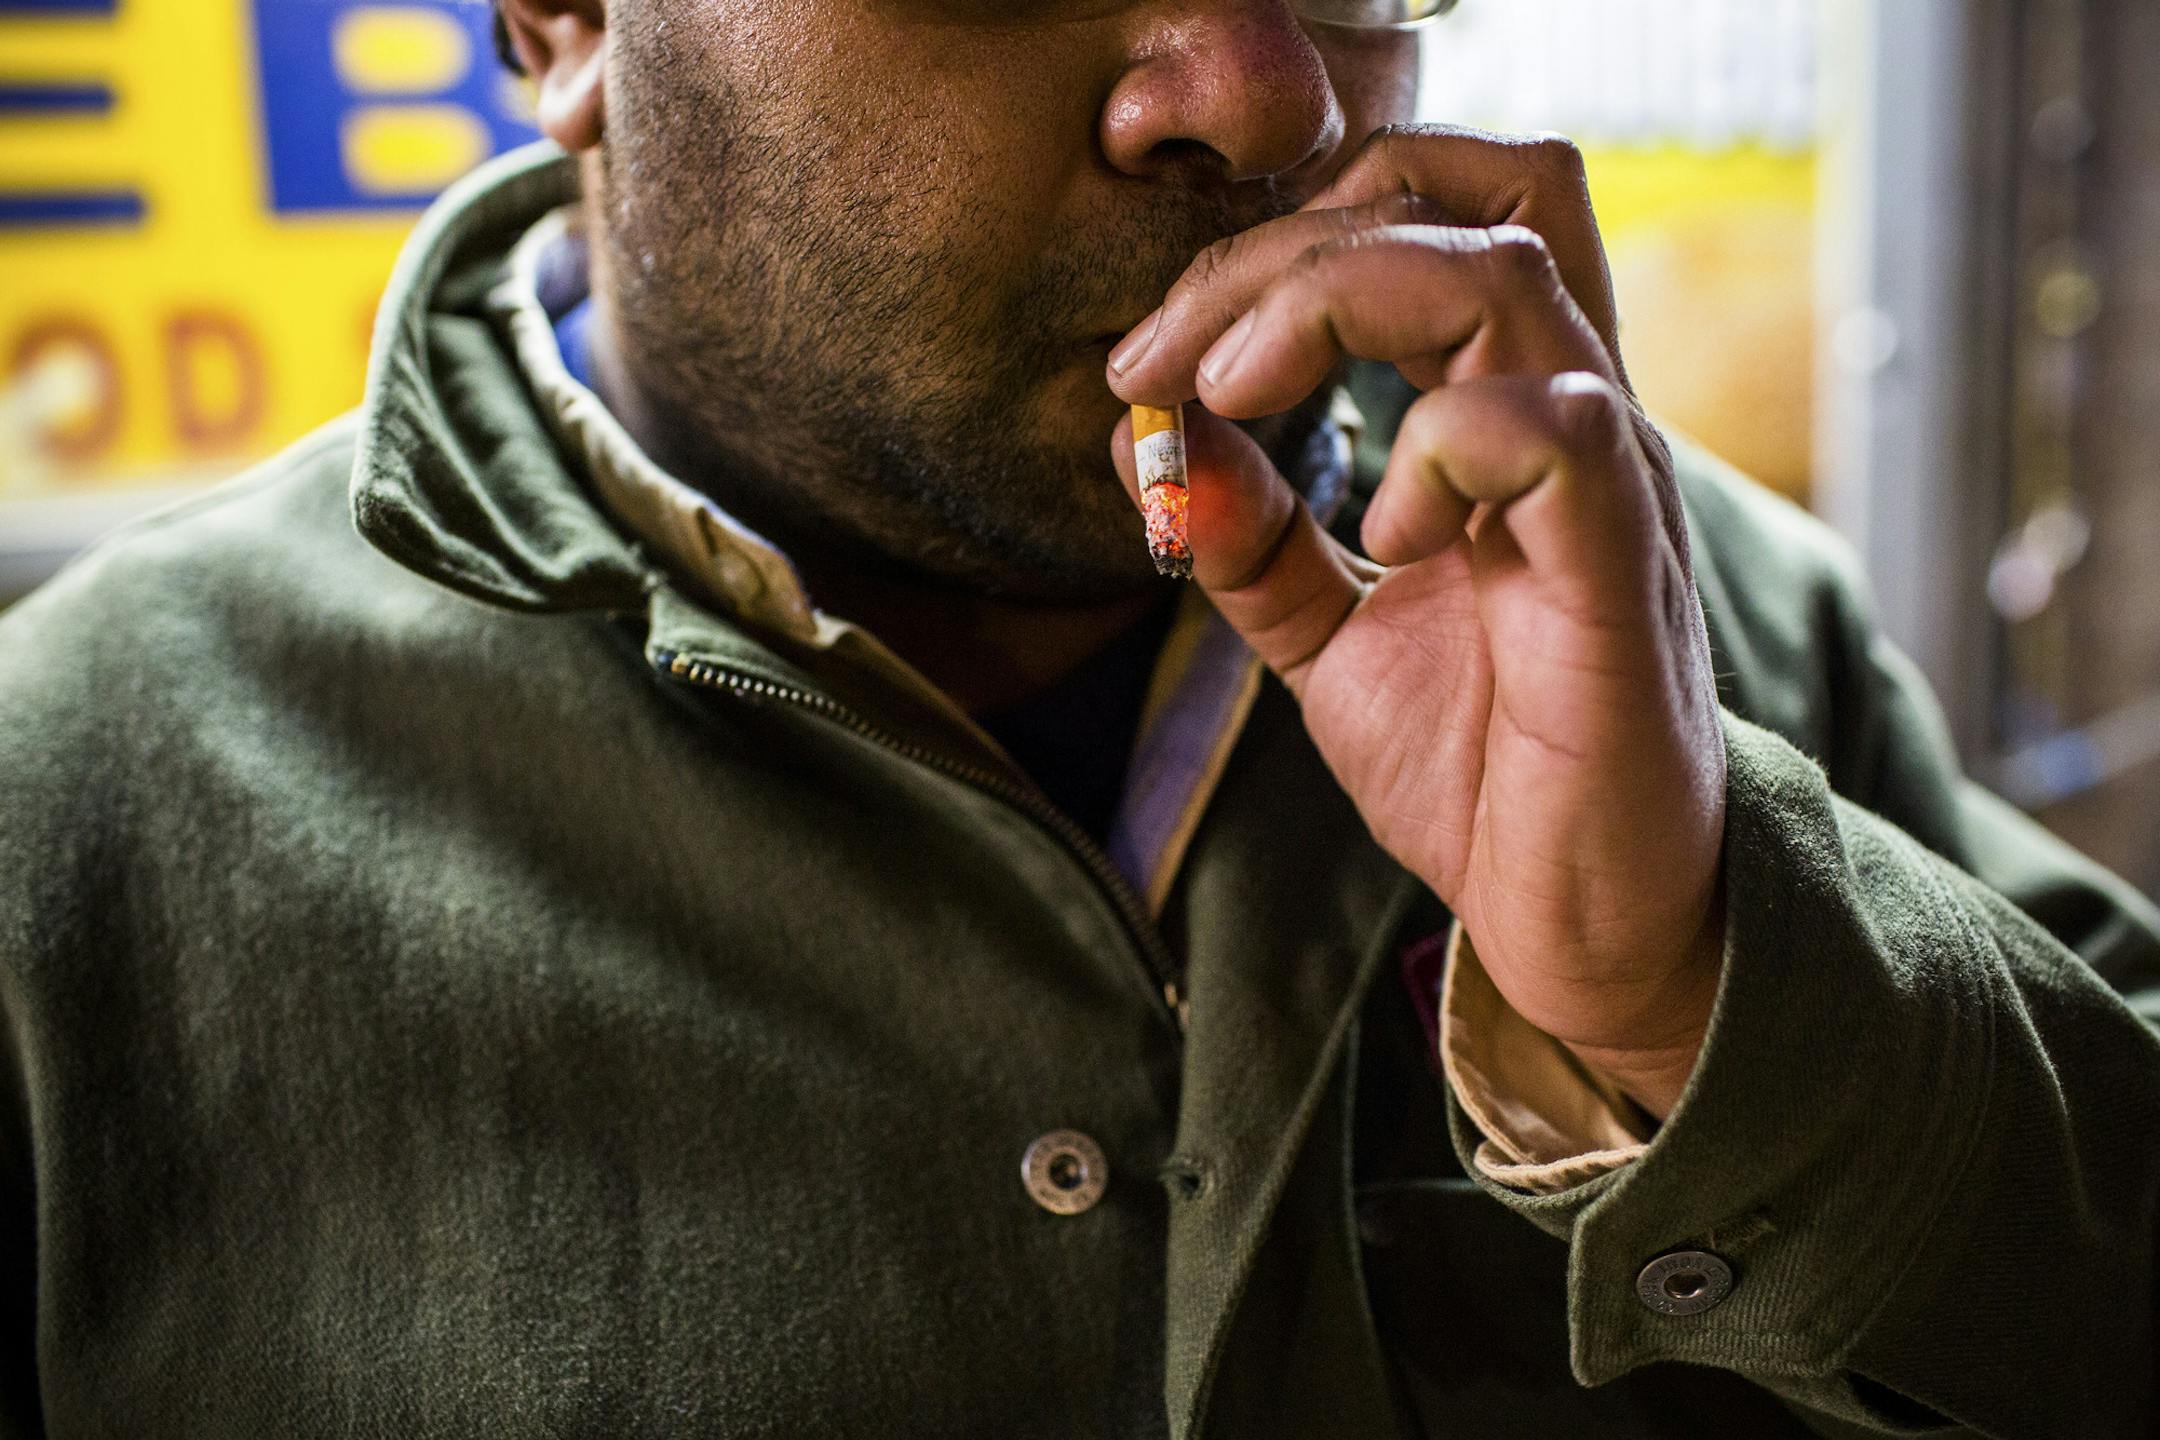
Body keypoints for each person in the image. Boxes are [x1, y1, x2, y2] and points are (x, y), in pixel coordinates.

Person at [1, 0, 2155, 1434]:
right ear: (567, 22)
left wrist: (1719, 990)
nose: (1258, 90)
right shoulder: (61, 828)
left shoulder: (1700, 653)